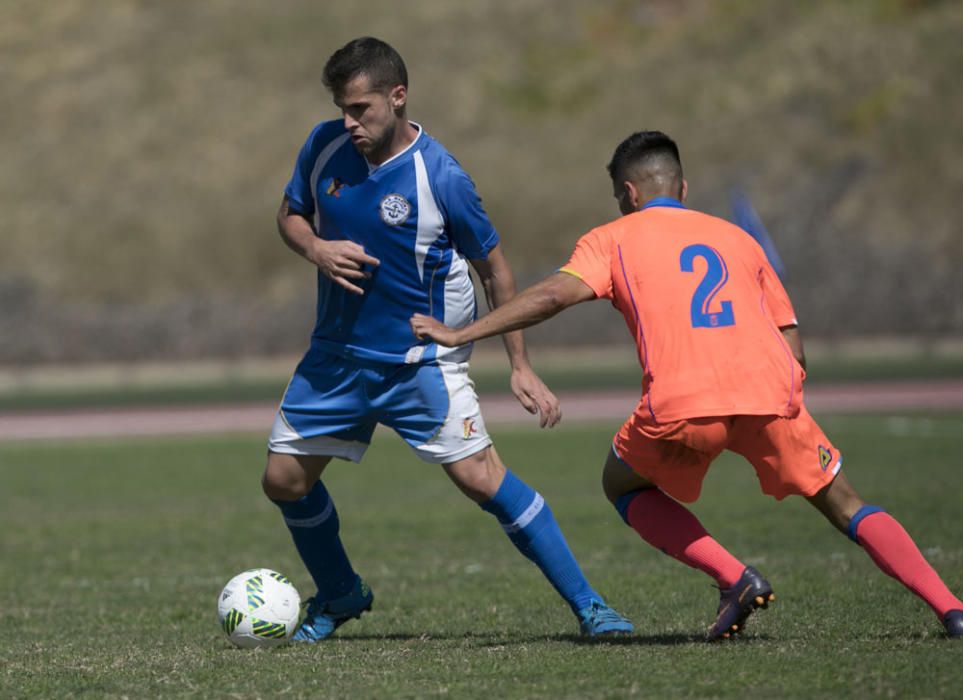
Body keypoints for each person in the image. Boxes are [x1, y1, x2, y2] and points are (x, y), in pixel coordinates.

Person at [411, 130, 963, 641]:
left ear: (628, 194)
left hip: (685, 402)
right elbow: (791, 338)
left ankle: (734, 576)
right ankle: (951, 608)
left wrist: (466, 330)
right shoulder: (739, 239)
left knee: (621, 486)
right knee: (846, 503)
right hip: (770, 393)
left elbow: (553, 296)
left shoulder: (612, 238)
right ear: (683, 187)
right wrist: (787, 398)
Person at [261, 37, 632, 642]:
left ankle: (592, 607)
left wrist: (519, 364)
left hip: (418, 362)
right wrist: (316, 248)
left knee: (482, 479)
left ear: (398, 96)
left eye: (361, 109)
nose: (350, 122)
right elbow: (289, 214)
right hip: (335, 357)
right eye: (343, 109)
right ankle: (341, 592)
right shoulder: (323, 145)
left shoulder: (442, 177)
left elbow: (496, 270)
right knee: (283, 481)